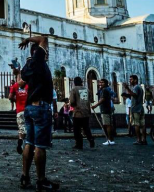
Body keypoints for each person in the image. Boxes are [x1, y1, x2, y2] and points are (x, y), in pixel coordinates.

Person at [17, 36, 59, 191]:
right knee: (40, 146)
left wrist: (16, 71)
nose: (46, 52)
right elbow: (44, 38)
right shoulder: (38, 60)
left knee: (29, 143)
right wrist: (28, 40)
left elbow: (20, 83)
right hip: (41, 108)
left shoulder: (28, 66)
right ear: (38, 52)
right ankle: (41, 180)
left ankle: (25, 176)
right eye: (45, 51)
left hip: (29, 108)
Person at [69, 76, 94, 150]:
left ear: (74, 82)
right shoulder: (87, 89)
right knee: (86, 128)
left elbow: (72, 101)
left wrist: (73, 105)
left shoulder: (74, 89)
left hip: (78, 112)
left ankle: (79, 144)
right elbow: (91, 100)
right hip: (86, 111)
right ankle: (91, 139)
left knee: (77, 129)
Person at [123, 75, 147, 145]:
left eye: (131, 79)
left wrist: (127, 88)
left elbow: (134, 95)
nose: (130, 81)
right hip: (140, 107)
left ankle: (139, 140)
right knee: (143, 125)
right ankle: (144, 139)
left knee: (136, 124)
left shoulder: (136, 87)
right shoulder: (140, 87)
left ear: (135, 80)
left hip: (135, 108)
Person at [91, 78, 115, 145]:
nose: (100, 84)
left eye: (102, 82)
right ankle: (110, 139)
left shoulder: (104, 90)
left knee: (107, 125)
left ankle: (109, 139)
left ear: (106, 83)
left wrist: (95, 105)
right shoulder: (105, 90)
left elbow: (102, 99)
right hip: (106, 109)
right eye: (100, 82)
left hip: (105, 109)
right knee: (107, 124)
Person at [9, 75, 28, 154]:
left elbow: (10, 97)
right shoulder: (28, 86)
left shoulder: (14, 86)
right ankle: (28, 144)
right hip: (28, 110)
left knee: (21, 128)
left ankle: (20, 140)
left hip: (19, 110)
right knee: (29, 127)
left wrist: (15, 99)